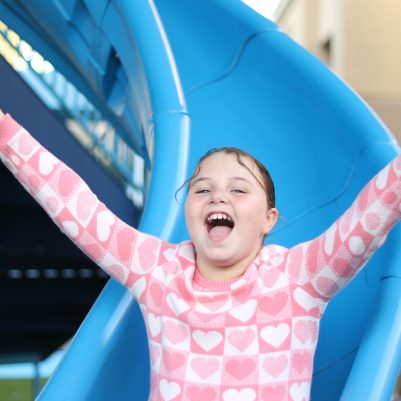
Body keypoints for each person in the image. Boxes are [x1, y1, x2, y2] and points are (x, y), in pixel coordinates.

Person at [1, 109, 401, 401]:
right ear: (188, 210)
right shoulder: (157, 270)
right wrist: (5, 133)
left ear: (269, 219)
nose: (218, 195)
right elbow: (78, 207)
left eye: (239, 190)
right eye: (202, 189)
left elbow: (368, 217)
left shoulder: (299, 277)